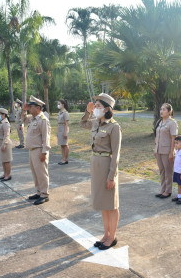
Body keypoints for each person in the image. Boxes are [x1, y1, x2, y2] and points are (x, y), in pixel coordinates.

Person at [80, 93, 122, 250]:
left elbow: (116, 153)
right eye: (95, 106)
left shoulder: (114, 127)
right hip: (96, 165)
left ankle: (112, 237)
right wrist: (88, 111)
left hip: (107, 165)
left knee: (112, 204)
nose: (96, 108)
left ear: (107, 109)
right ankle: (106, 234)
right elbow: (82, 123)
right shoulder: (96, 122)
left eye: (98, 106)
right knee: (103, 203)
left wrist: (112, 176)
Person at [22, 95, 51, 205]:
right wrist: (24, 110)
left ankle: (44, 194)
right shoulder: (32, 118)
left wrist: (44, 152)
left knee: (42, 173)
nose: (29, 108)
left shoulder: (43, 120)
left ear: (38, 108)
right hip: (32, 150)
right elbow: (23, 119)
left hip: (39, 150)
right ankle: (39, 192)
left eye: (31, 106)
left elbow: (46, 138)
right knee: (35, 173)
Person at [154, 103, 178, 199]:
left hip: (167, 150)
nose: (161, 111)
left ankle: (168, 191)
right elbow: (156, 137)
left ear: (169, 111)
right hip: (159, 150)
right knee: (161, 171)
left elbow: (173, 138)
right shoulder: (159, 122)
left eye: (164, 109)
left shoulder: (172, 123)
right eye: (161, 109)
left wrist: (172, 152)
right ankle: (162, 189)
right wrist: (155, 148)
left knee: (168, 171)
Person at [0, 108, 13, 181]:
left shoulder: (5, 123)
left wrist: (4, 145)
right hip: (0, 143)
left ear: (3, 114)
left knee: (7, 161)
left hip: (5, 144)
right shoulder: (0, 121)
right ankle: (5, 174)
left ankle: (8, 175)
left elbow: (7, 135)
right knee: (3, 160)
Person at [57, 99, 70, 165]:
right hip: (59, 128)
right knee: (62, 145)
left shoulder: (65, 113)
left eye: (59, 104)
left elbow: (66, 123)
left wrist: (65, 132)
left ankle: (66, 159)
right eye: (58, 104)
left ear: (63, 105)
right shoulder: (59, 112)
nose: (58, 105)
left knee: (65, 145)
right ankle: (63, 158)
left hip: (64, 128)